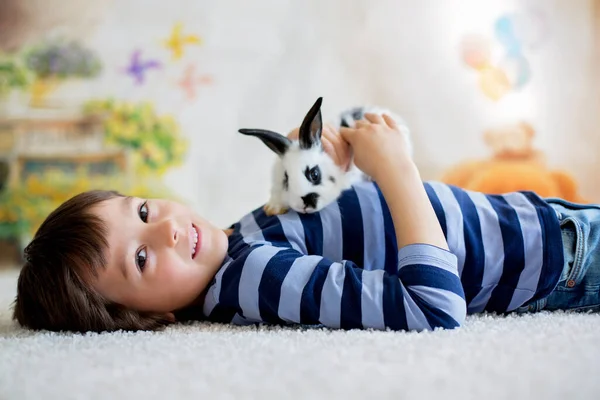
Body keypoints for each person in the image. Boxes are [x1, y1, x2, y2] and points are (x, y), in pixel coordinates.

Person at [12, 112, 600, 333]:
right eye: (139, 259)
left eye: (141, 210)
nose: (163, 227)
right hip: (552, 261)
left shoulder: (240, 242)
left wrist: (335, 170)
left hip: (537, 223)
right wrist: (397, 170)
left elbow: (347, 229)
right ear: (147, 317)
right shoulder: (256, 281)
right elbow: (432, 309)